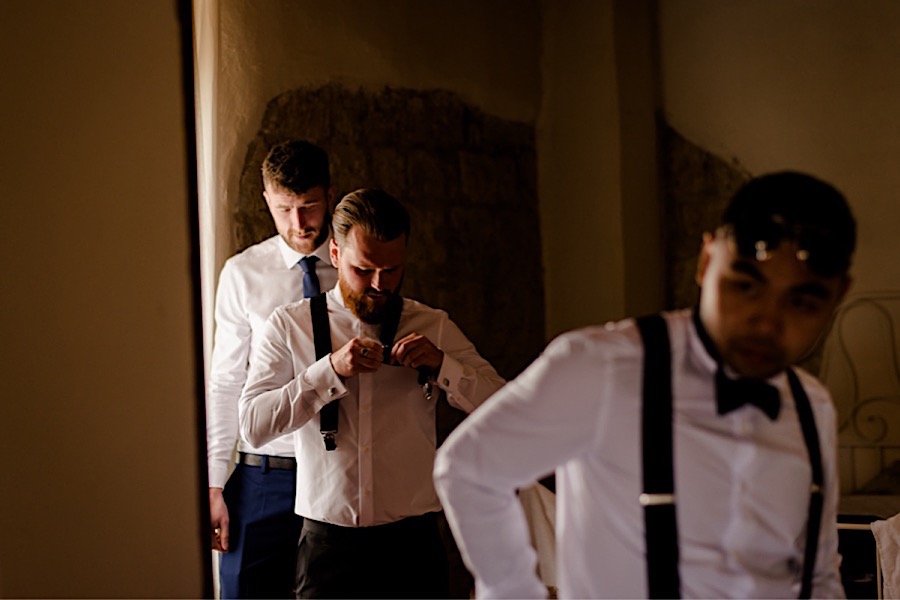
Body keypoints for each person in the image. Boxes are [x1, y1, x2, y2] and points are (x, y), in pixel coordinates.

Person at [433, 171, 856, 599]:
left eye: (802, 302)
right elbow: (469, 468)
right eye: (745, 286)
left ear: (839, 296)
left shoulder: (812, 406)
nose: (766, 322)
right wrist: (515, 590)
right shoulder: (603, 367)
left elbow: (818, 574)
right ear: (707, 261)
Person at [239, 188, 506, 599]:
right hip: (327, 551)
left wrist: (444, 368)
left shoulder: (432, 325)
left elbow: (504, 408)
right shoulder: (289, 327)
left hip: (412, 549)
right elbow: (254, 426)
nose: (379, 285)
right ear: (334, 254)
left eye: (392, 270)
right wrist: (325, 372)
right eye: (363, 270)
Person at [206, 140, 338, 599]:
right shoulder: (242, 275)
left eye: (309, 207)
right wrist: (213, 483)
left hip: (338, 470)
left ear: (329, 194)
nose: (298, 224)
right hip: (263, 476)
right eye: (284, 209)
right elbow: (225, 382)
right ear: (266, 199)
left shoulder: (356, 270)